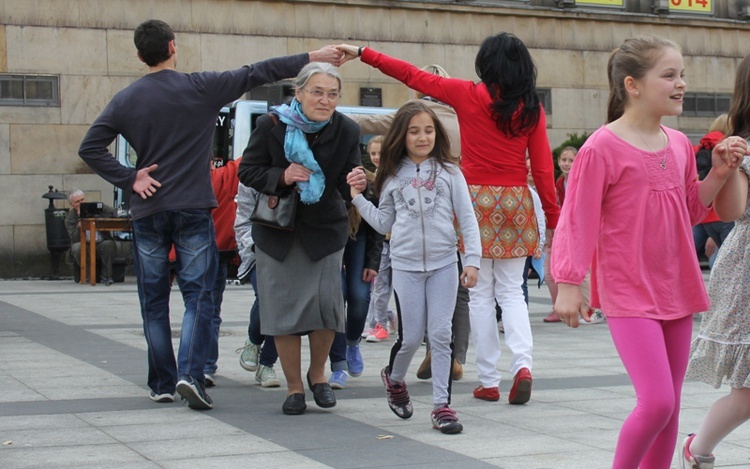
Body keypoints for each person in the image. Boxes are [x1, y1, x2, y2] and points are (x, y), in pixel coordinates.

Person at [77, 19, 343, 410]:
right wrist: (312, 57)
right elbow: (257, 71)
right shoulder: (198, 87)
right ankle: (191, 372)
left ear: (139, 55)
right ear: (173, 46)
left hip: (148, 209)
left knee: (152, 300)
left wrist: (130, 177)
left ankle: (161, 381)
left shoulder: (126, 98)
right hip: (191, 206)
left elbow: (91, 147)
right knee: (198, 296)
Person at [550, 35, 746, 468]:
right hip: (628, 290)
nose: (681, 84)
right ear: (632, 85)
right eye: (669, 75)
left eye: (683, 75)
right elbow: (576, 220)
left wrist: (718, 172)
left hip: (676, 286)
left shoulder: (677, 144)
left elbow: (692, 207)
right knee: (656, 402)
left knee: (671, 407)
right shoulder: (601, 147)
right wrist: (568, 283)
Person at [337, 34, 560, 406]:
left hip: (474, 201)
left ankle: (488, 379)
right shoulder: (532, 109)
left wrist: (363, 54)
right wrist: (552, 217)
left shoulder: (467, 94)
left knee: (479, 296)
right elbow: (542, 166)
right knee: (511, 292)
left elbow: (411, 76)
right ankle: (522, 365)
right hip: (516, 201)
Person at [346, 100, 481, 434]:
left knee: (440, 335)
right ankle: (394, 380)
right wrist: (357, 198)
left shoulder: (450, 172)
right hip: (405, 267)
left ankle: (442, 407)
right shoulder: (392, 175)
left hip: (445, 265)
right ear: (401, 136)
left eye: (429, 130)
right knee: (410, 338)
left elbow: (467, 218)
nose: (423, 138)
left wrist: (473, 260)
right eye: (414, 131)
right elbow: (382, 222)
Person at [238, 62, 364, 416]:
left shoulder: (347, 130)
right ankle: (294, 387)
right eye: (317, 92)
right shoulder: (271, 125)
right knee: (283, 313)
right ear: (300, 93)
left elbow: (344, 181)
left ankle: (318, 375)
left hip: (324, 232)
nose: (325, 100)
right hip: (278, 232)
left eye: (332, 94)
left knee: (327, 310)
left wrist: (357, 182)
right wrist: (283, 175)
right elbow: (248, 170)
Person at [351, 64, 470, 381]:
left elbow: (372, 121)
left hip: (429, 223)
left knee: (419, 329)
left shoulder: (412, 115)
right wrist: (472, 258)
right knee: (458, 296)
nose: (421, 135)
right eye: (415, 132)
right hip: (455, 209)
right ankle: (452, 355)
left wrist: (338, 119)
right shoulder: (463, 116)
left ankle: (438, 367)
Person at [681, 54, 750, 469]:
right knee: (748, 393)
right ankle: (697, 447)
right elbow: (732, 212)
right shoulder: (741, 146)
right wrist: (728, 166)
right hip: (747, 274)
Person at [327, 189, 383, 389]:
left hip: (359, 236)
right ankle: (338, 365)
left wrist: (372, 262)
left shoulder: (366, 186)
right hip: (330, 236)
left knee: (359, 295)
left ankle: (352, 342)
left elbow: (378, 227)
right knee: (337, 295)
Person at [543, 147, 602, 325]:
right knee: (552, 271)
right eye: (564, 160)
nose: (567, 164)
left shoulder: (584, 179)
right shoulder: (559, 183)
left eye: (571, 160)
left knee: (583, 271)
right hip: (563, 229)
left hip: (581, 229)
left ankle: (592, 308)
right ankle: (559, 307)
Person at [234, 182, 281, 388]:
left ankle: (267, 363)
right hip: (257, 253)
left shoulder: (300, 170)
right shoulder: (251, 177)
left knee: (283, 307)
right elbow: (242, 222)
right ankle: (253, 339)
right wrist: (254, 245)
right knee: (267, 297)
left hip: (291, 252)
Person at [360, 135, 398, 342]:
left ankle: (382, 321)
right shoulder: (376, 175)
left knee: (390, 287)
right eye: (373, 154)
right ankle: (379, 323)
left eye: (380, 154)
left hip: (396, 239)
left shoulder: (391, 176)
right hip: (382, 240)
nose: (376, 157)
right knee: (380, 286)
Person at [692, 114, 735, 270]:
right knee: (731, 263)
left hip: (705, 217)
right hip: (726, 215)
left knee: (720, 259)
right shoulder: (730, 147)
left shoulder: (698, 148)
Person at [65, 189, 117, 285]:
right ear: (71, 204)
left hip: (100, 243)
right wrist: (79, 226)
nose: (81, 203)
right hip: (85, 245)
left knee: (108, 244)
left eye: (82, 200)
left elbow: (114, 212)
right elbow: (74, 239)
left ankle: (106, 277)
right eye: (77, 202)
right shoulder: (70, 218)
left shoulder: (97, 207)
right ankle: (88, 277)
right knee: (78, 247)